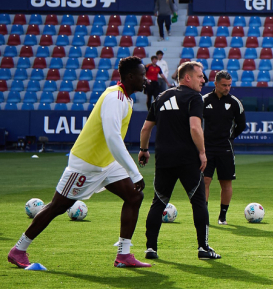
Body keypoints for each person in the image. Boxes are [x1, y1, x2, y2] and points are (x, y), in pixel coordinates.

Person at [8, 57, 150, 269]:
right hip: (86, 163)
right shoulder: (115, 98)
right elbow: (112, 139)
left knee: (134, 196)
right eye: (142, 75)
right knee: (57, 207)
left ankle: (124, 254)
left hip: (106, 163)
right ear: (130, 77)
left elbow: (112, 141)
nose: (145, 79)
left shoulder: (125, 99)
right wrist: (134, 172)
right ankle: (18, 250)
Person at [139, 61, 221, 260]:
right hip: (187, 159)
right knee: (198, 202)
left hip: (164, 158)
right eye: (200, 76)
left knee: (158, 202)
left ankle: (151, 248)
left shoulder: (161, 97)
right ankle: (203, 248)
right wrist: (202, 152)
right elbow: (195, 127)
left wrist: (143, 150)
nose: (203, 80)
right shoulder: (194, 97)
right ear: (187, 77)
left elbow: (146, 128)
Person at [202, 71, 246, 226]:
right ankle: (204, 215)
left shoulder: (235, 103)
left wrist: (230, 137)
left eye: (229, 85)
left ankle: (222, 216)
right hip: (206, 148)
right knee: (205, 181)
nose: (227, 88)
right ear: (215, 84)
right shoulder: (204, 100)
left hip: (225, 148)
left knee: (226, 183)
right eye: (224, 85)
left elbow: (241, 125)